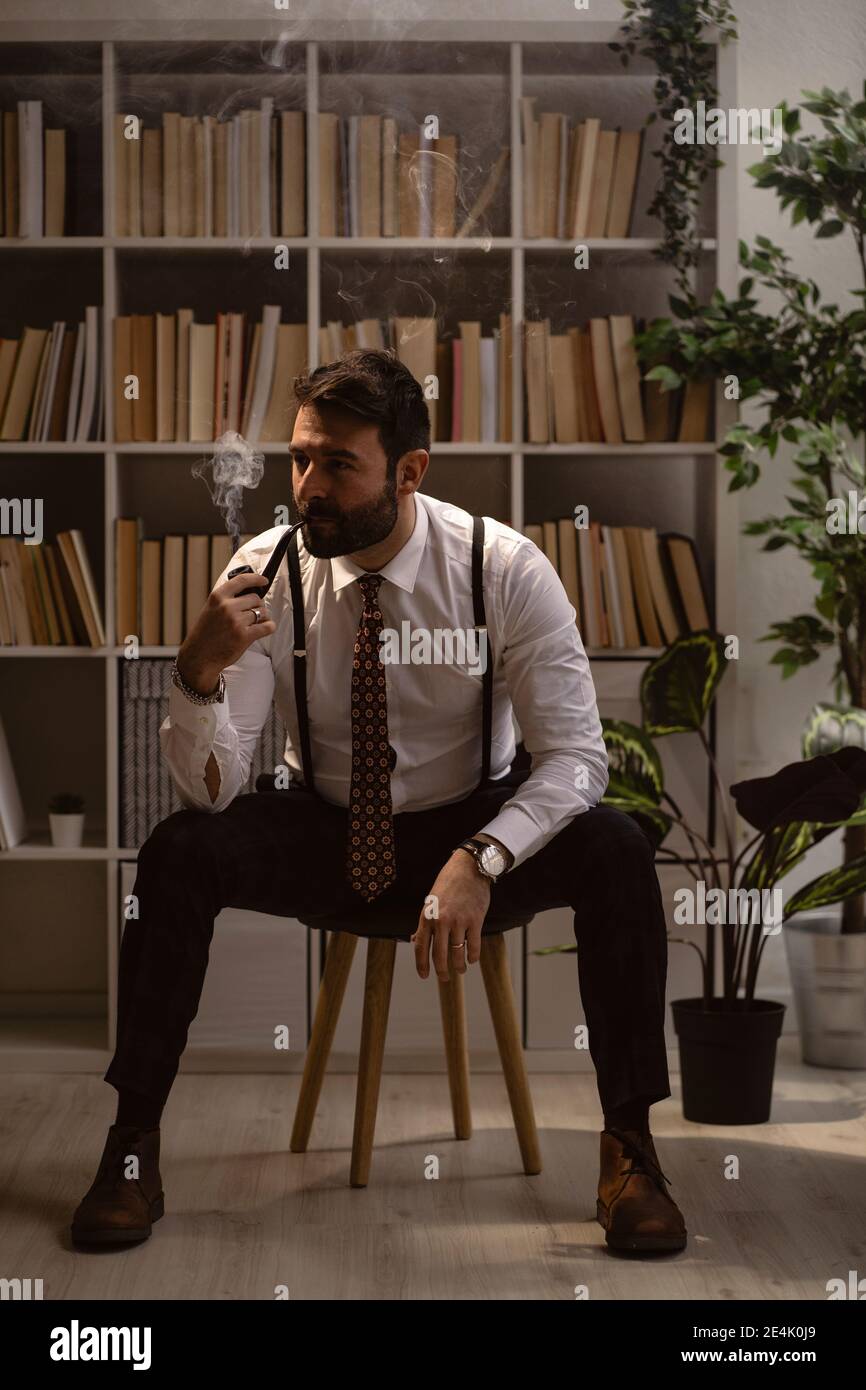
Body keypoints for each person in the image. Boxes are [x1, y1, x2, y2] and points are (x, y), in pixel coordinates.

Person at [71, 348, 687, 1254]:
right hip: (324, 826)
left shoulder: (502, 569)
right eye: (299, 460)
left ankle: (631, 1150)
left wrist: (484, 857)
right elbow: (218, 790)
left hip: (468, 822)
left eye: (337, 465)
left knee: (618, 848)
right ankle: (130, 1147)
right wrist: (197, 674)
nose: (309, 488)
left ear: (408, 471)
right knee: (177, 852)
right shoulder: (270, 567)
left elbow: (577, 761)